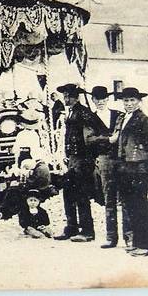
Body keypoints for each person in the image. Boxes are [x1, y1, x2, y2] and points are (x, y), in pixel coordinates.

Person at [110, 87, 148, 257]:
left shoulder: (143, 120)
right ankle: (138, 243)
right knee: (131, 207)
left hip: (138, 170)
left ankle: (147, 246)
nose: (129, 103)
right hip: (125, 169)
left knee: (141, 208)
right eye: (126, 100)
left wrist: (144, 165)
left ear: (139, 102)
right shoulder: (123, 118)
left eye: (132, 100)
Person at [53, 84, 100, 243]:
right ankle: (71, 227)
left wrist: (87, 158)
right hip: (73, 159)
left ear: (76, 97)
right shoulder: (71, 112)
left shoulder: (84, 113)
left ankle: (87, 231)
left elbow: (91, 135)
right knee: (68, 193)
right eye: (65, 96)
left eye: (69, 96)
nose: (66, 99)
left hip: (83, 159)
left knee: (82, 195)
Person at [87, 85, 130, 249]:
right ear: (93, 100)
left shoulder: (119, 115)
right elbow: (89, 139)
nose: (101, 102)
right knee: (109, 198)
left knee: (125, 197)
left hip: (121, 159)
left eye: (104, 98)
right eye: (97, 99)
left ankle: (129, 237)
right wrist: (107, 139)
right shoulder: (90, 118)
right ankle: (111, 237)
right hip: (104, 159)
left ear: (108, 99)